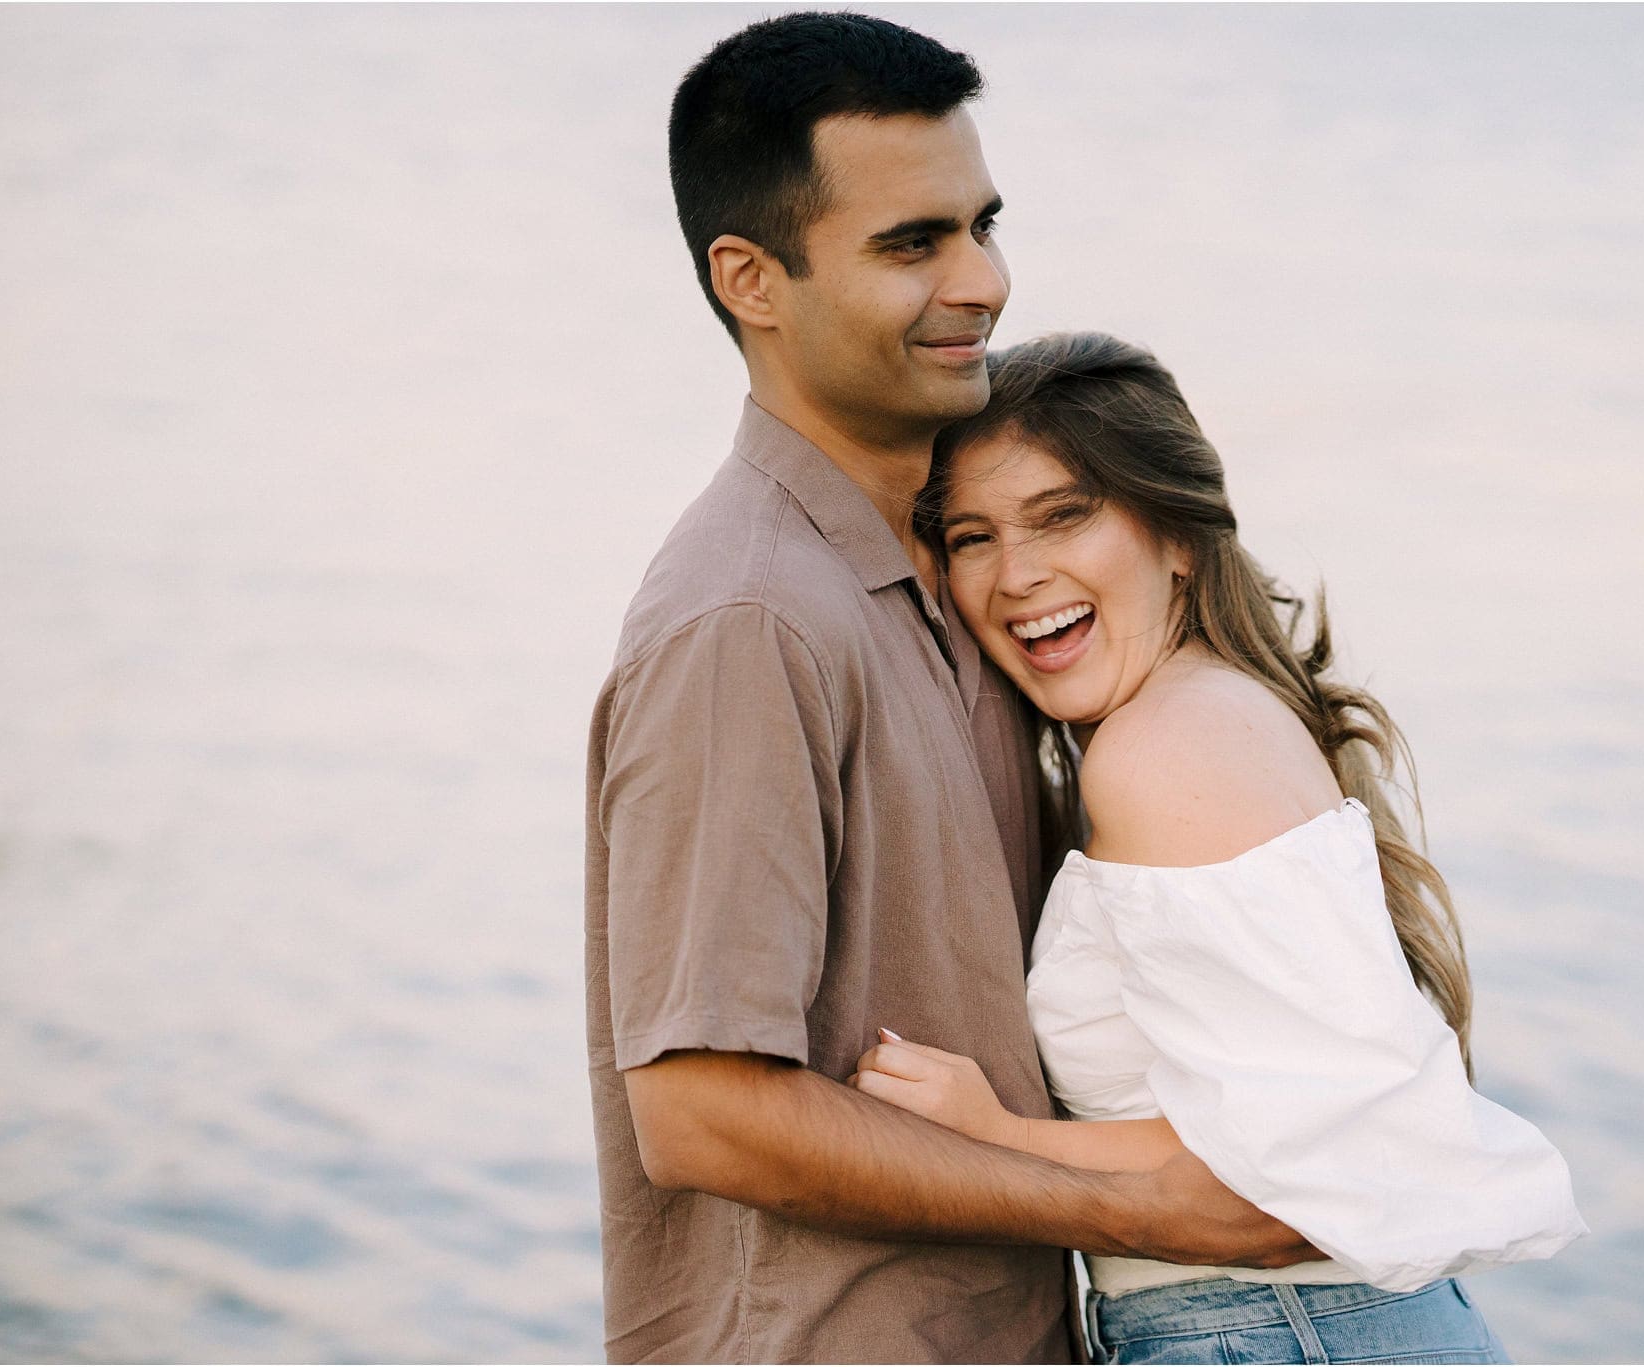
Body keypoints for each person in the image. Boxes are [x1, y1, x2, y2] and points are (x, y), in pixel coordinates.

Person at [585, 16, 1316, 1365]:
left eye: (983, 225)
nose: (982, 281)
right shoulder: (749, 621)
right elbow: (700, 1108)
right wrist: (1134, 1199)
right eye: (913, 244)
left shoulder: (965, 577)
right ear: (752, 277)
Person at [858, 331, 1589, 1364]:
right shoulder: (1210, 713)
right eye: (970, 536)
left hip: (1271, 1333)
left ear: (1178, 536)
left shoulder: (1161, 749)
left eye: (1063, 514)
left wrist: (989, 1131)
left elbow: (1286, 1165)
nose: (1017, 573)